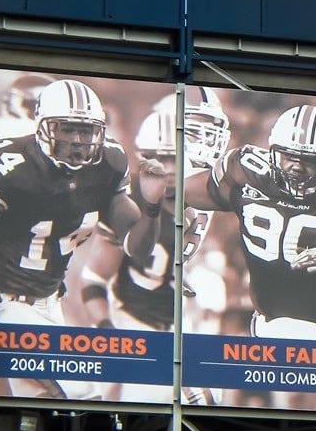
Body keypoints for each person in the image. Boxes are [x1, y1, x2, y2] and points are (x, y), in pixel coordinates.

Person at [184, 103, 316, 413]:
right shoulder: (246, 172)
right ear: (273, 152)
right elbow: (178, 191)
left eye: (310, 161)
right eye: (288, 157)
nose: (297, 168)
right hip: (284, 321)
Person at [0, 78, 167, 399]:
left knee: (40, 407)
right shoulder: (8, 166)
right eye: (67, 130)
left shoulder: (108, 164)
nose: (79, 141)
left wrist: (151, 206)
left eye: (87, 131)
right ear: (44, 127)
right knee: (79, 391)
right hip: (6, 303)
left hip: (52, 302)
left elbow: (137, 248)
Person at [79, 107, 220, 404]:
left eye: (174, 158)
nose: (168, 168)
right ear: (144, 157)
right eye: (160, 158)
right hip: (133, 325)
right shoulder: (126, 200)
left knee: (211, 399)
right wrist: (107, 332)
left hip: (175, 325)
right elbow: (93, 279)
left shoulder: (198, 198)